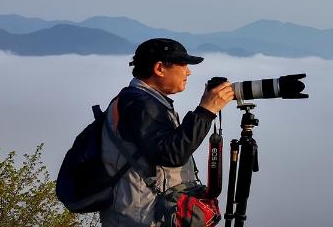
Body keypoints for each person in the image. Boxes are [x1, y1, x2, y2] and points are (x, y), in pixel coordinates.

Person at [99, 38, 234, 226]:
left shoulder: (141, 100)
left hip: (144, 214)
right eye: (183, 64)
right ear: (160, 68)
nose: (189, 71)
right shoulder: (141, 104)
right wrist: (206, 111)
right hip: (140, 219)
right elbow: (171, 153)